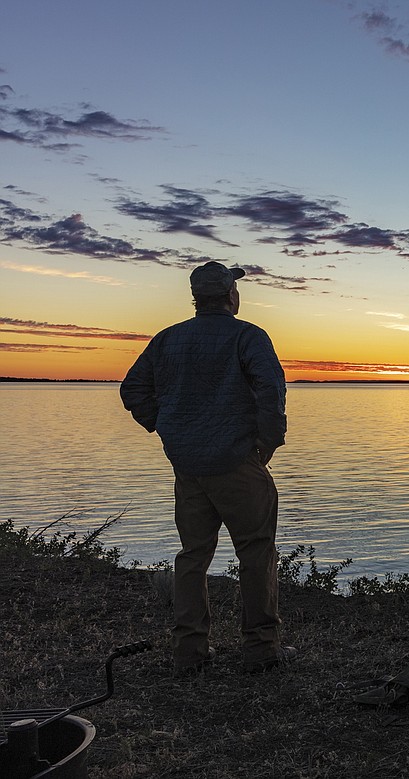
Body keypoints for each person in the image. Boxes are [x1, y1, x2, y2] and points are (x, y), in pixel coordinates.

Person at [121, 261, 295, 675]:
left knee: (193, 557)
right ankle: (260, 650)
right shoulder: (247, 336)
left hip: (189, 467)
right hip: (237, 463)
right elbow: (272, 389)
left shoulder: (168, 339)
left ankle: (190, 653)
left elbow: (132, 390)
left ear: (197, 298)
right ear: (231, 296)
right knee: (256, 553)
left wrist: (166, 429)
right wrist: (268, 442)